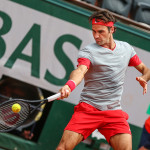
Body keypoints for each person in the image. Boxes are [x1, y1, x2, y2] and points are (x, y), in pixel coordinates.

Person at [56, 10, 150, 150]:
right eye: (93, 31)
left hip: (113, 112)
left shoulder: (126, 49)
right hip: (89, 109)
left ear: (111, 29)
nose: (96, 36)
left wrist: (144, 77)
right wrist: (69, 86)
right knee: (63, 147)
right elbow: (80, 70)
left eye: (101, 31)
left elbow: (145, 69)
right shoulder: (88, 52)